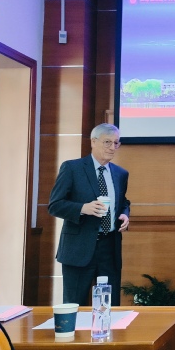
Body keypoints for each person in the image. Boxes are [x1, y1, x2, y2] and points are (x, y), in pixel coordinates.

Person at [48, 123, 130, 306]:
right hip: (79, 248)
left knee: (108, 306)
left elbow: (123, 201)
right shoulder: (72, 168)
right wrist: (82, 208)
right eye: (107, 142)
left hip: (109, 247)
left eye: (116, 143)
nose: (112, 147)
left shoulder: (120, 174)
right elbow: (55, 205)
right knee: (74, 305)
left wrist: (124, 214)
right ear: (93, 142)